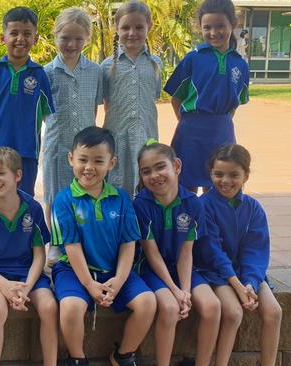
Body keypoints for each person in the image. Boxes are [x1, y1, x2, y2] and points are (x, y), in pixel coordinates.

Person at [50, 126, 156, 366]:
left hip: (114, 270)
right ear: (71, 160)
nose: (89, 167)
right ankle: (77, 358)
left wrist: (119, 280)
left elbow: (128, 244)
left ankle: (123, 355)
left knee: (148, 303)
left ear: (112, 163)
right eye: (83, 160)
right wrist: (89, 284)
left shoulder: (121, 198)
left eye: (99, 160)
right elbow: (72, 247)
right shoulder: (63, 200)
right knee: (71, 307)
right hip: (74, 270)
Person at [133, 141, 221, 366]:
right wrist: (175, 292)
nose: (155, 175)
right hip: (150, 269)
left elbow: (186, 252)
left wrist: (185, 290)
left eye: (160, 167)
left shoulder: (193, 203)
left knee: (212, 306)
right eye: (146, 171)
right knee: (171, 308)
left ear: (177, 166)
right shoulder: (140, 205)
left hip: (181, 268)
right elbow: (151, 254)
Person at [194, 144, 282, 366]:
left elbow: (256, 250)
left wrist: (251, 283)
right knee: (233, 313)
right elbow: (211, 250)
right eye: (218, 174)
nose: (225, 181)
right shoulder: (203, 206)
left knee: (274, 311)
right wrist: (237, 285)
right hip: (215, 272)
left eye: (234, 175)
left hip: (246, 273)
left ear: (246, 175)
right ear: (210, 173)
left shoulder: (254, 208)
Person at [0, 147, 58, 366]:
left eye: (0, 173)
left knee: (49, 308)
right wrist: (4, 286)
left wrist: (26, 287)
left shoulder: (33, 208)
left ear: (18, 175)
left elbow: (39, 256)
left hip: (28, 273)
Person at [165, 0, 249, 192]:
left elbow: (236, 102)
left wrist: (220, 120)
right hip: (190, 131)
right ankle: (188, 221)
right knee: (186, 182)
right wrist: (187, 121)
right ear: (200, 28)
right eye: (207, 27)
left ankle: (215, 221)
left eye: (220, 26)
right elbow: (176, 98)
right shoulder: (192, 58)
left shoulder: (241, 65)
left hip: (222, 131)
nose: (214, 32)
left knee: (221, 181)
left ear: (233, 24)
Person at [43, 6, 103, 266]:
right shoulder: (45, 72)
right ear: (55, 35)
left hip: (87, 148)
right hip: (57, 145)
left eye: (78, 38)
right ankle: (57, 244)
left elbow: (94, 107)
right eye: (65, 37)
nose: (71, 44)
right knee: (56, 196)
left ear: (87, 38)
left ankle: (84, 243)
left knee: (86, 194)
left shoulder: (96, 71)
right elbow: (43, 113)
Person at [0, 6, 55, 197]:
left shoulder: (39, 74)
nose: (20, 39)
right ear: (3, 38)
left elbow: (44, 113)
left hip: (26, 152)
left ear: (35, 39)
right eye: (14, 33)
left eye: (27, 34)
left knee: (24, 200)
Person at [102, 0, 162, 196]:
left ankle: (144, 224)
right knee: (118, 182)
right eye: (125, 27)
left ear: (149, 27)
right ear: (117, 29)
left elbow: (153, 98)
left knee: (146, 181)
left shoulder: (155, 64)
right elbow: (106, 104)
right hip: (118, 135)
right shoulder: (107, 65)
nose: (132, 33)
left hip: (146, 135)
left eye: (139, 27)